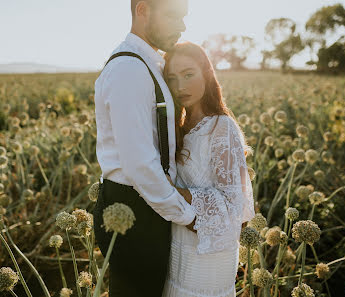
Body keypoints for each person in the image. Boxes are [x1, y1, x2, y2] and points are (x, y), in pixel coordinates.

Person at [92, 0, 196, 296]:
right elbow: (139, 163)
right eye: (174, 15)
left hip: (148, 201)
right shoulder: (129, 68)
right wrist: (188, 215)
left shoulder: (148, 62)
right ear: (142, 10)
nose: (183, 26)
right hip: (134, 207)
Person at [161, 42, 256, 297]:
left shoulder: (221, 128)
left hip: (210, 258)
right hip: (179, 248)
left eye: (188, 74)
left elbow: (234, 206)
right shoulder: (176, 127)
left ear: (206, 73)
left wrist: (169, 192)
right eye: (172, 78)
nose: (180, 86)